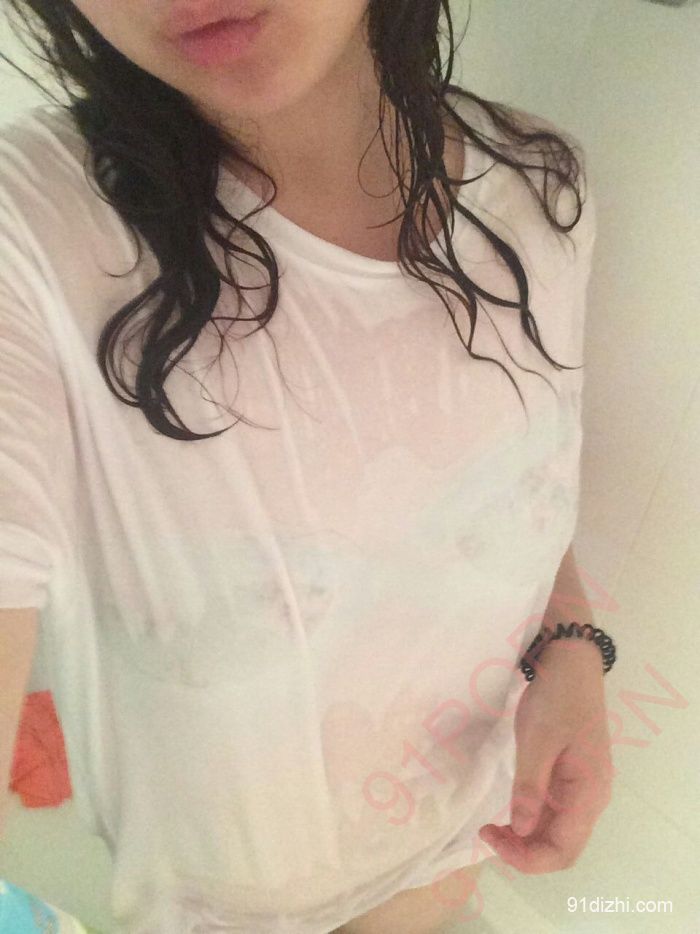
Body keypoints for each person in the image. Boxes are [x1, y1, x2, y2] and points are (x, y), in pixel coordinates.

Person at [0, 1, 612, 932]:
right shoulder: (33, 232)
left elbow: (520, 488)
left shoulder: (540, 190)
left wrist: (572, 647)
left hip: (456, 850)